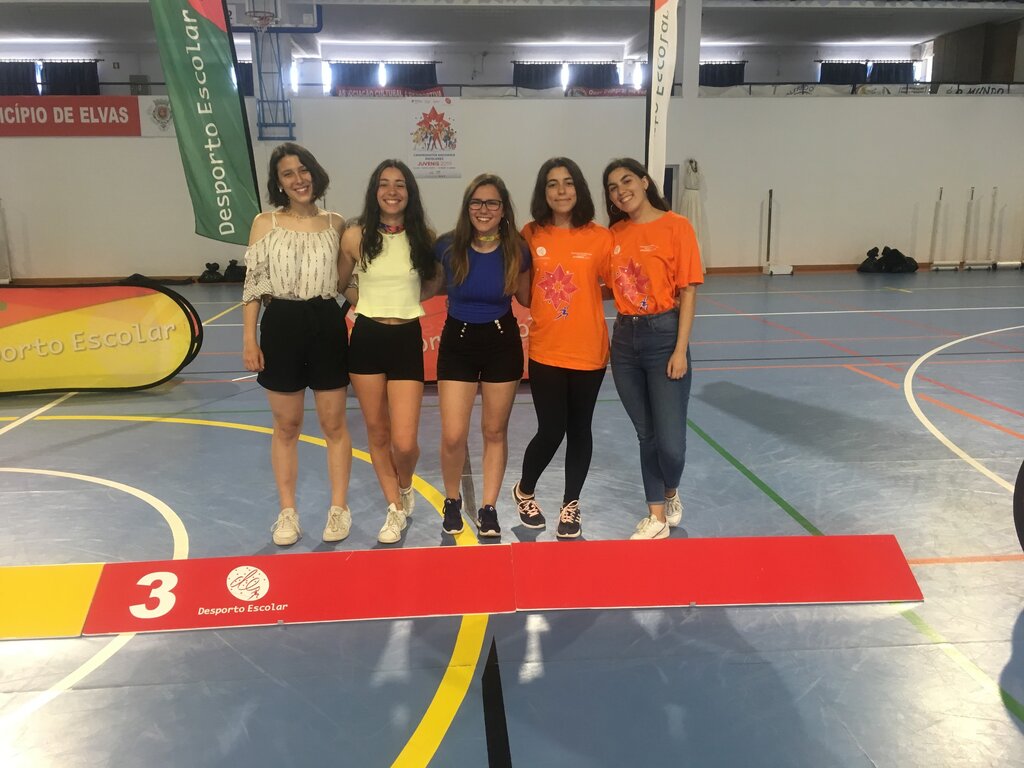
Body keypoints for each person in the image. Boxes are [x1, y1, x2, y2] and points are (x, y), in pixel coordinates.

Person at [241, 142, 353, 547]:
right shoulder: (264, 223)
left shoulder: (336, 223)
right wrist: (249, 338)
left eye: (303, 170)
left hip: (326, 322)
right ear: (279, 183)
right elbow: (253, 285)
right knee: (286, 426)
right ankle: (287, 512)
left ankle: (339, 508)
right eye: (288, 173)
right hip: (282, 325)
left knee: (334, 424)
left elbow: (346, 282)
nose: (298, 179)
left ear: (314, 173)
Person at [509, 157, 613, 539]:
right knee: (552, 429)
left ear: (579, 188)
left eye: (568, 182)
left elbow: (619, 285)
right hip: (546, 351)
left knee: (580, 429)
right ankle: (525, 490)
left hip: (589, 350)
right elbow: (523, 293)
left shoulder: (601, 237)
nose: (561, 190)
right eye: (552, 184)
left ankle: (571, 504)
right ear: (544, 192)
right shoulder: (530, 234)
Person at [602, 157, 702, 540]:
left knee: (671, 445)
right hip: (625, 340)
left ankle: (670, 491)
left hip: (664, 337)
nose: (620, 191)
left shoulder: (677, 227)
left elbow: (688, 290)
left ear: (644, 182)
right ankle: (656, 516)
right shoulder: (614, 234)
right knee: (647, 435)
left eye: (626, 181)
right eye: (612, 188)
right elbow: (604, 282)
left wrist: (680, 349)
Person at [340, 160, 439, 544]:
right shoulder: (355, 236)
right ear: (374, 191)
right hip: (366, 338)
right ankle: (394, 509)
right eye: (384, 184)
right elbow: (340, 282)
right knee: (378, 433)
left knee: (405, 441)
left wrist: (406, 302)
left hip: (406, 339)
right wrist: (365, 302)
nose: (392, 191)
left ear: (409, 192)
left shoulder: (423, 237)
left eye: (400, 184)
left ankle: (405, 482)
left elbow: (432, 283)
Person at [434, 173, 531, 537]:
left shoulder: (517, 250)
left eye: (492, 203)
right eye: (476, 202)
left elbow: (527, 298)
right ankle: (452, 499)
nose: (484, 209)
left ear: (503, 209)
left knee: (494, 430)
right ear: (467, 207)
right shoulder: (446, 247)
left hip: (501, 342)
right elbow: (425, 283)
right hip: (457, 343)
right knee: (453, 435)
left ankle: (489, 508)